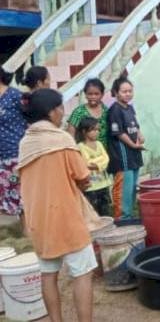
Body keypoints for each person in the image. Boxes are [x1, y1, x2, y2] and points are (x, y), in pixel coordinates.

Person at [17, 88, 95, 322]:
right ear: (51, 112)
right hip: (67, 218)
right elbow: (83, 177)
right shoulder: (62, 139)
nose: (63, 113)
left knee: (48, 274)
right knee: (83, 273)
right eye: (61, 108)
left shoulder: (25, 142)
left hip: (39, 221)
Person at [107, 77, 144, 220]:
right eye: (124, 91)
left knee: (133, 185)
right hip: (123, 155)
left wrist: (140, 136)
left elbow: (136, 125)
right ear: (116, 93)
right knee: (125, 187)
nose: (128, 94)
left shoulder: (129, 107)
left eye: (130, 91)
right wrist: (133, 144)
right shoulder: (115, 110)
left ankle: (129, 215)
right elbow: (119, 133)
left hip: (134, 153)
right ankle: (122, 217)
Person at [0, 67, 26, 216]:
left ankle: (28, 236)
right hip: (1, 159)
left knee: (22, 200)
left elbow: (30, 120)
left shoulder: (15, 96)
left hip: (17, 155)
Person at [76, 116, 112, 216]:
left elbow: (106, 158)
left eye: (98, 130)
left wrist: (97, 164)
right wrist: (100, 161)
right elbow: (86, 163)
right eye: (93, 130)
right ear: (84, 131)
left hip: (103, 183)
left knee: (106, 211)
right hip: (91, 186)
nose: (97, 132)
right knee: (94, 212)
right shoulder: (80, 146)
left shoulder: (99, 144)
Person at [67, 78, 109, 143]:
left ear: (102, 94)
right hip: (85, 151)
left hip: (104, 151)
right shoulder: (79, 112)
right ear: (85, 94)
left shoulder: (106, 110)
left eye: (96, 94)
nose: (93, 97)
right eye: (90, 94)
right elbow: (70, 134)